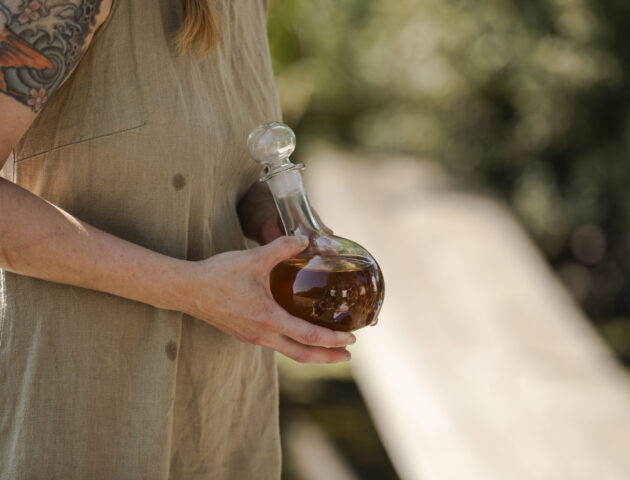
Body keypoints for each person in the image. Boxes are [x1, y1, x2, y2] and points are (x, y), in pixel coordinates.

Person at [0, 0, 356, 478]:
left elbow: (217, 167)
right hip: (79, 411)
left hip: (221, 418)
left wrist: (276, 217)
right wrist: (189, 289)